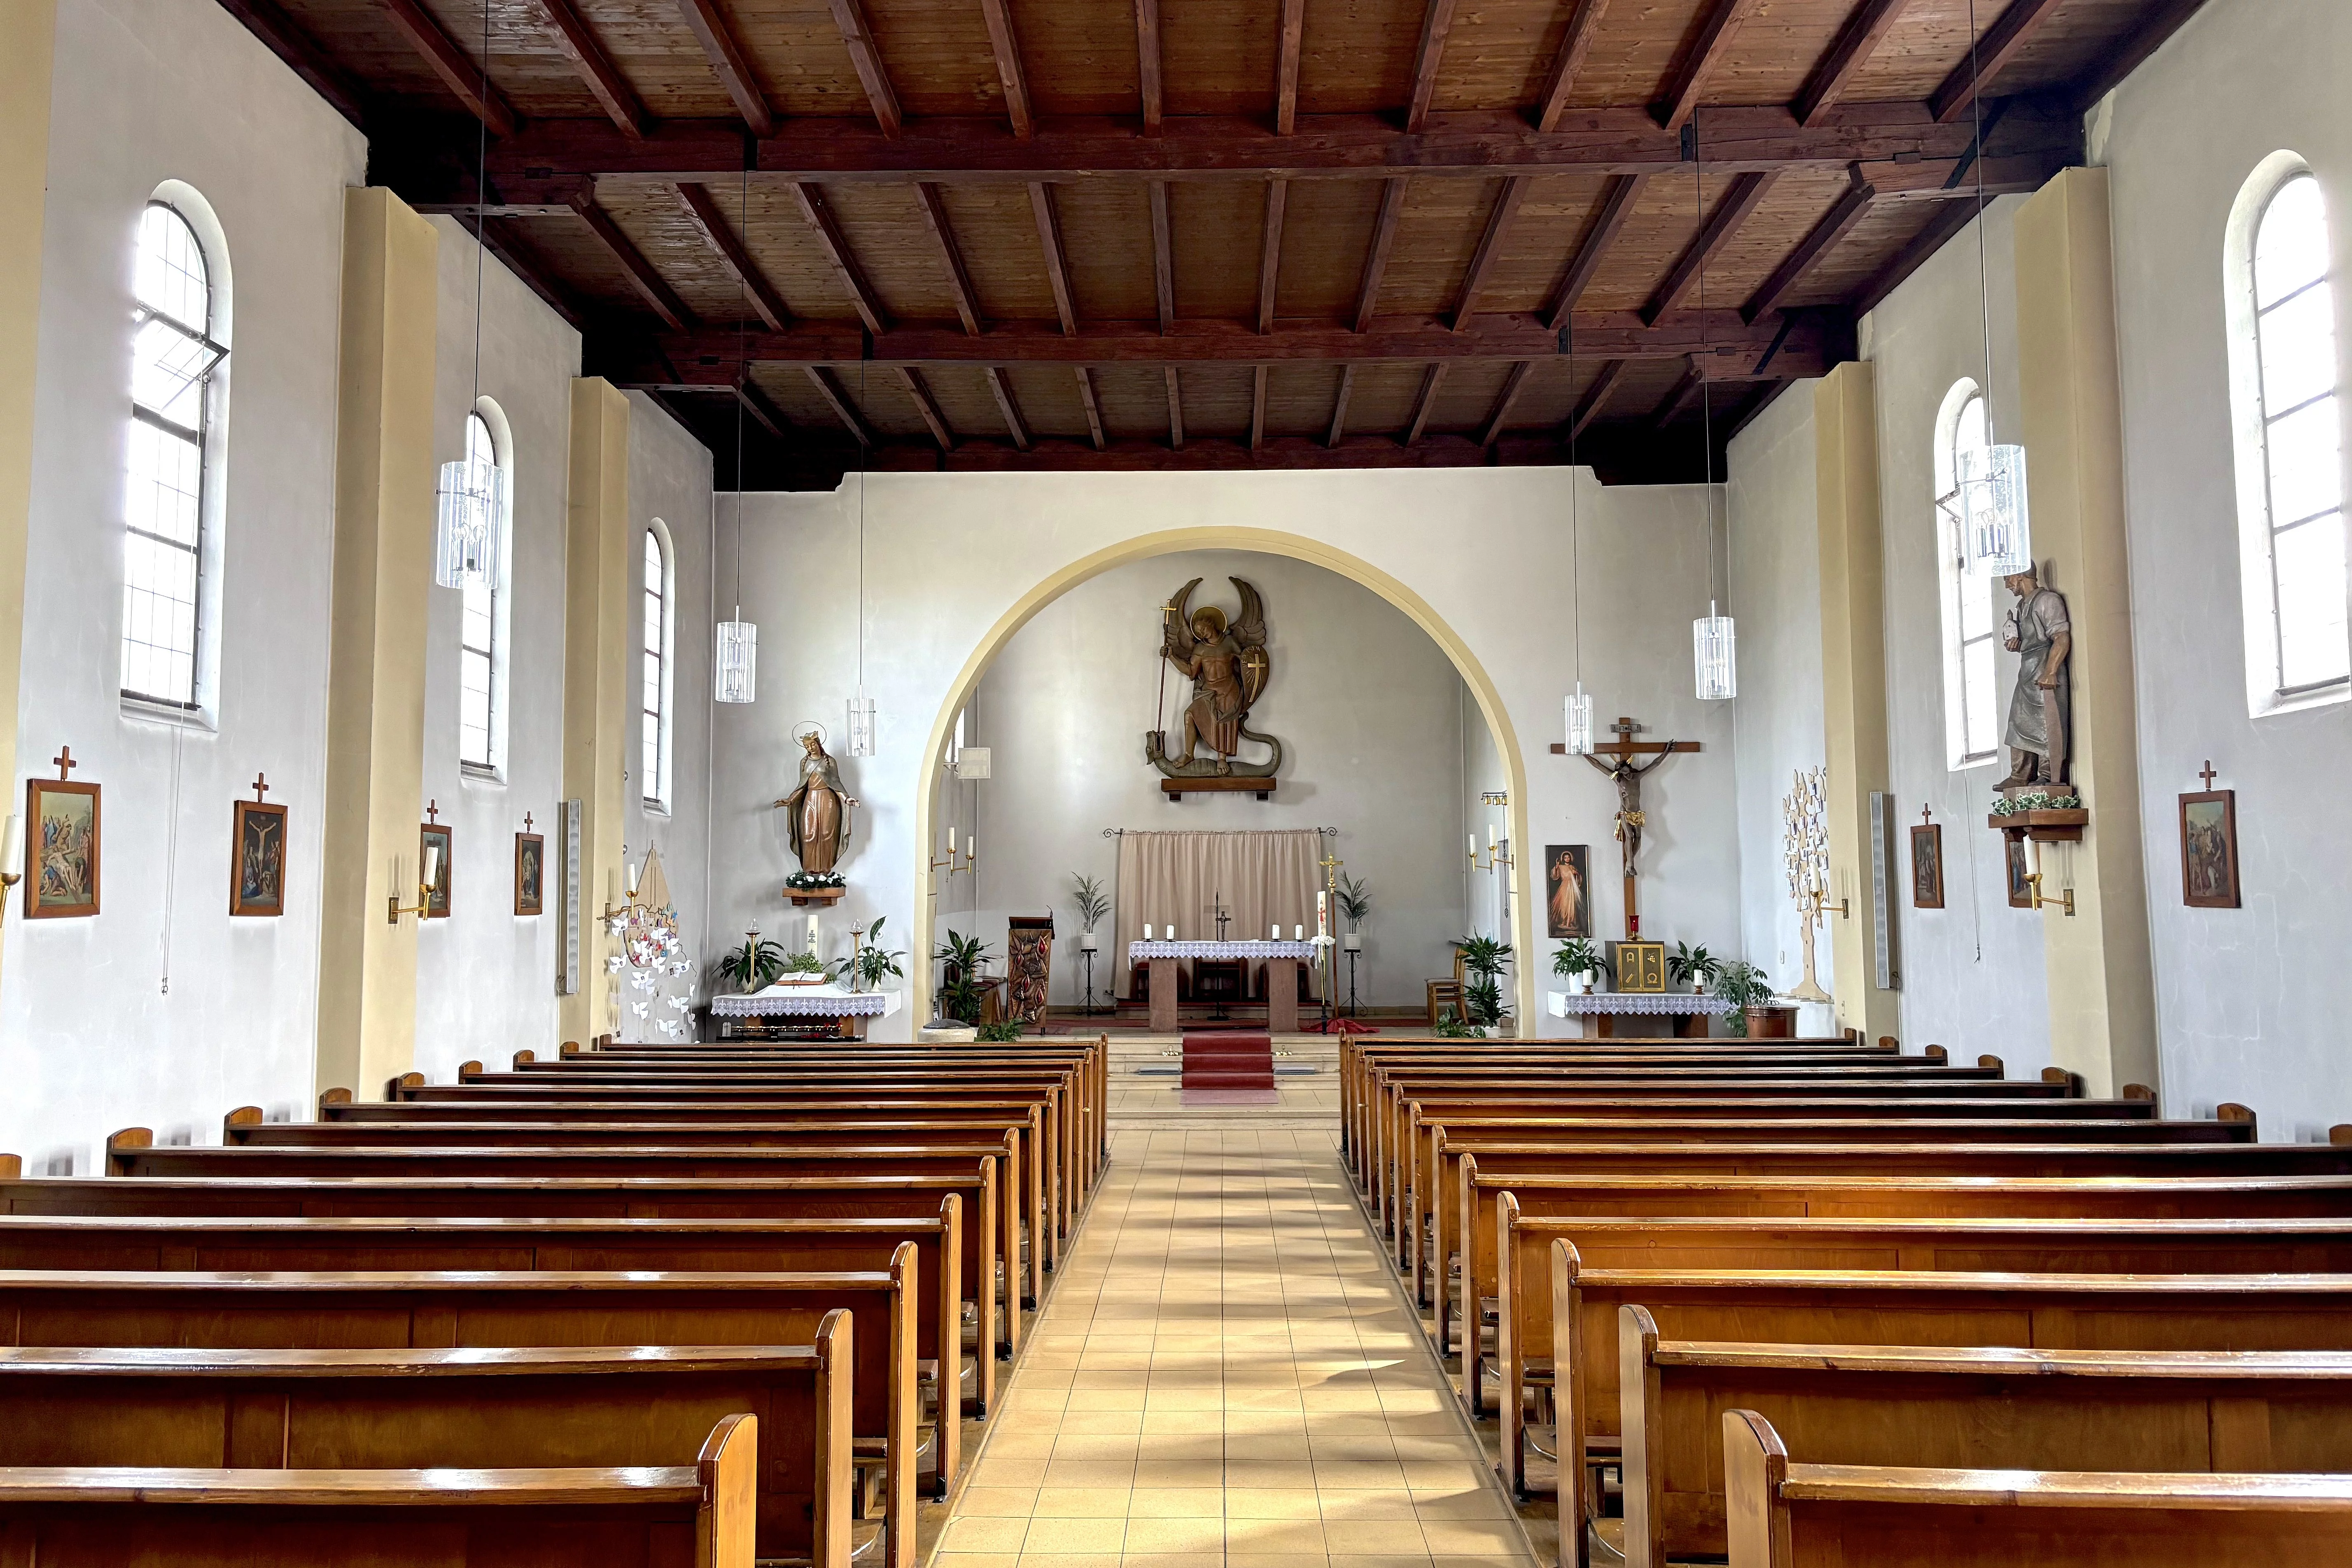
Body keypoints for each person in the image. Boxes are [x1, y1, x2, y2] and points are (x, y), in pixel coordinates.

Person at [2000, 566, 2072, 787]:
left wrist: (2051, 671)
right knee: (2018, 720)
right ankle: (2019, 775)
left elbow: (2061, 637)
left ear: (2020, 575)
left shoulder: (2047, 600)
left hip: (2045, 665)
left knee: (2047, 722)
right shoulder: (2022, 607)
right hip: (2026, 670)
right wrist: (2017, 645)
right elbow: (2029, 641)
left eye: (2008, 578)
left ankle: (2048, 775)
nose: (2007, 585)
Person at [776, 729, 853, 875]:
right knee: (807, 834)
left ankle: (825, 870)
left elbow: (836, 783)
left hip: (827, 799)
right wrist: (790, 800)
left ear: (818, 743)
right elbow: (802, 784)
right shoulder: (804, 763)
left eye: (812, 745)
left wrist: (846, 798)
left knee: (826, 833)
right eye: (807, 747)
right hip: (810, 798)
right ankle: (809, 870)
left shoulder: (829, 762)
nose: (810, 748)